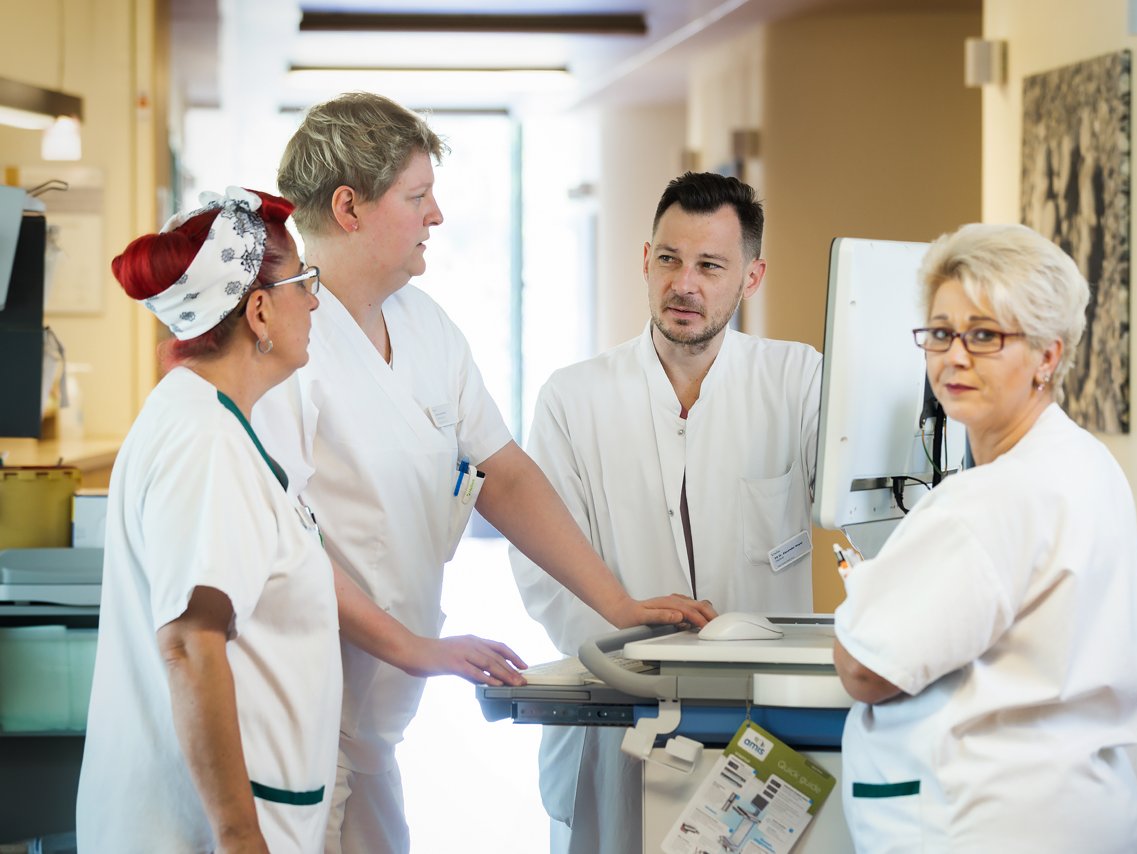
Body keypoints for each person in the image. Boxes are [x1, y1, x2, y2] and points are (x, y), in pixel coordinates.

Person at [251, 92, 714, 853]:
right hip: (294, 716)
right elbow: (283, 545)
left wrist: (619, 603)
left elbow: (503, 472)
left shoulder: (424, 324)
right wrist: (414, 647)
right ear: (349, 207)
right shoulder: (287, 347)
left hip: (372, 722)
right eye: (418, 197)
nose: (436, 216)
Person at [510, 171, 823, 854]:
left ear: (752, 276)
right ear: (643, 259)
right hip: (620, 717)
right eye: (669, 260)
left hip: (761, 725)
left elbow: (859, 501)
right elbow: (541, 567)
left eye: (711, 265)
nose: (685, 284)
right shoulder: (574, 398)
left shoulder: (798, 383)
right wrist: (639, 649)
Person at [832, 223, 1137, 852]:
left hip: (988, 823)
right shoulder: (1086, 463)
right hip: (1080, 813)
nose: (953, 356)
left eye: (984, 335)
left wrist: (868, 596)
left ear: (1047, 355)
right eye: (943, 332)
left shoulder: (991, 497)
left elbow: (867, 669)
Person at [77, 188, 339, 852]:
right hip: (206, 831)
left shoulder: (208, 420)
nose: (314, 300)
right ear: (259, 311)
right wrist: (239, 834)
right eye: (303, 282)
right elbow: (192, 646)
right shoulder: (207, 443)